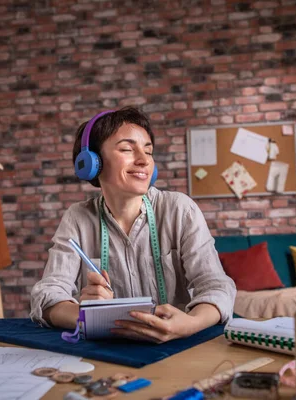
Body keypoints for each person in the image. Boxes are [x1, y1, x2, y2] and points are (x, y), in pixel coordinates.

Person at [30, 107, 236, 343]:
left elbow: (217, 286)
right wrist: (85, 315)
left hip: (178, 346)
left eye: (148, 151)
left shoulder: (180, 209)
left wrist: (190, 323)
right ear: (92, 163)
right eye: (127, 149)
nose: (143, 160)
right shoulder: (77, 218)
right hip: (106, 352)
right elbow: (46, 295)